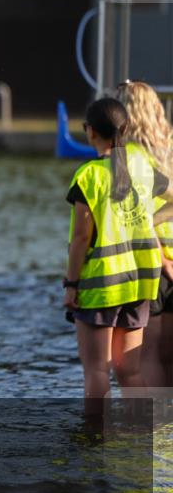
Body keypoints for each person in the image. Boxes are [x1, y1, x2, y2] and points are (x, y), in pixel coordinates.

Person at [64, 98, 170, 417]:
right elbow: (171, 198)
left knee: (96, 370)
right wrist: (151, 222)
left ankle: (95, 440)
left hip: (101, 283)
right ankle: (142, 434)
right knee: (130, 370)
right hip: (140, 282)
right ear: (124, 130)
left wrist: (71, 284)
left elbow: (81, 238)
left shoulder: (88, 176)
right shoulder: (141, 164)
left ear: (90, 131)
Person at [117, 80, 173, 387]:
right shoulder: (169, 148)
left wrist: (159, 248)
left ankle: (149, 433)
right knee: (169, 357)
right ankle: (166, 432)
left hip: (154, 262)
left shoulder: (129, 157)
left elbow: (136, 217)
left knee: (145, 357)